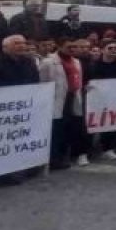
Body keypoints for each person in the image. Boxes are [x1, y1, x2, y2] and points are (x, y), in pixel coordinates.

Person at [40, 37, 92, 168]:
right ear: (60, 46)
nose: (72, 50)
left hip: (72, 97)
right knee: (57, 129)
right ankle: (54, 159)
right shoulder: (48, 62)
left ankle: (64, 156)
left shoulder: (76, 62)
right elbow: (42, 82)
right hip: (56, 98)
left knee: (70, 127)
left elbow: (78, 79)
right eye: (69, 47)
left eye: (74, 47)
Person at [87, 41, 116, 157]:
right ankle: (91, 149)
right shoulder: (94, 66)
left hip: (115, 99)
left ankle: (109, 148)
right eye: (110, 48)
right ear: (103, 50)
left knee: (112, 124)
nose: (114, 50)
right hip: (98, 99)